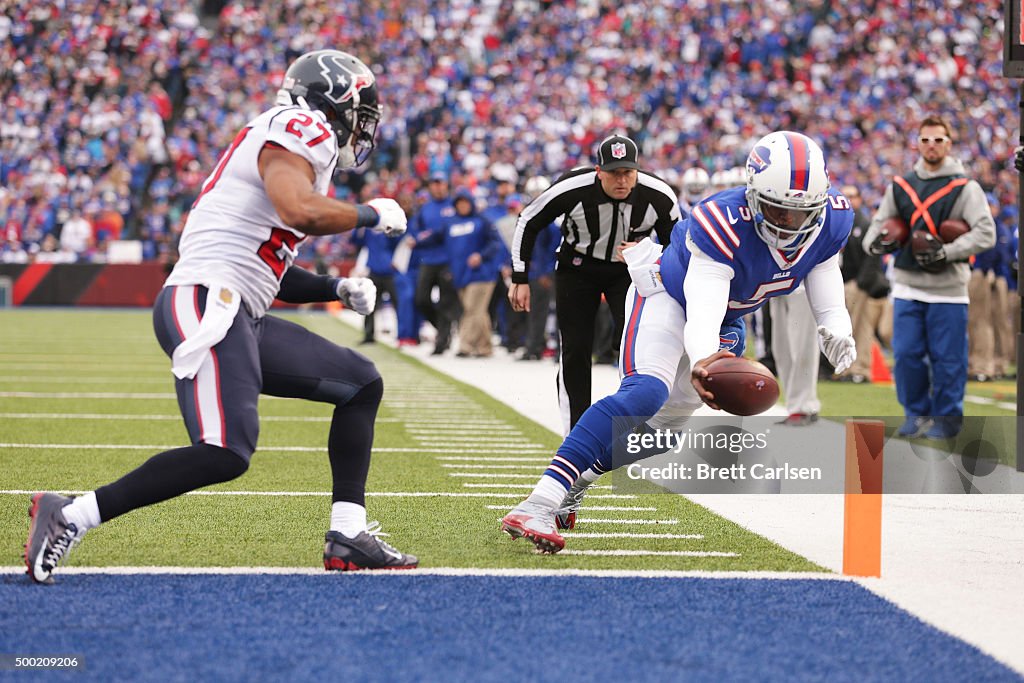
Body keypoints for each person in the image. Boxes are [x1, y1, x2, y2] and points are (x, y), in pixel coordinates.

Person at [24, 49, 418, 583]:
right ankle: (69, 514)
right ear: (335, 100)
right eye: (361, 111)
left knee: (359, 382)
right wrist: (372, 214)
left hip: (235, 305)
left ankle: (348, 533)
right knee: (225, 450)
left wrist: (333, 286)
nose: (363, 126)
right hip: (209, 300)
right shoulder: (300, 126)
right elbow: (297, 211)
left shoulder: (292, 143)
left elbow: (266, 262)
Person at [501, 131, 857, 552]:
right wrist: (707, 358)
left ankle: (580, 478)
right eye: (778, 210)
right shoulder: (724, 220)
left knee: (663, 434)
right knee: (645, 393)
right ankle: (538, 501)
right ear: (754, 193)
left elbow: (822, 267)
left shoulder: (832, 218)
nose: (789, 223)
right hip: (670, 298)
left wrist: (835, 323)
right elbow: (703, 302)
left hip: (729, 316)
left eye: (800, 213)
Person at [509, 134, 681, 434]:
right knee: (575, 349)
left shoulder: (658, 195)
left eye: (628, 172)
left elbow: (676, 247)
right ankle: (576, 431)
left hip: (628, 272)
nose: (621, 180)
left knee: (640, 345)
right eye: (614, 172)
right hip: (577, 268)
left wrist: (644, 253)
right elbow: (528, 219)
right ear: (598, 170)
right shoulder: (574, 187)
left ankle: (640, 423)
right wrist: (520, 278)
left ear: (637, 171)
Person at [865, 115, 995, 440]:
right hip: (908, 284)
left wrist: (946, 252)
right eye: (926, 140)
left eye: (938, 140)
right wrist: (878, 242)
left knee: (948, 359)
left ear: (949, 144)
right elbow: (874, 231)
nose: (932, 146)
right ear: (917, 143)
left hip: (949, 288)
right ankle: (915, 413)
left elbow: (985, 233)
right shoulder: (901, 185)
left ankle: (947, 420)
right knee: (906, 353)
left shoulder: (965, 187)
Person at [445, 188, 504, 357]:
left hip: (482, 274)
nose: (463, 206)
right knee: (478, 311)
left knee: (471, 309)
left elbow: (495, 244)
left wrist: (481, 255)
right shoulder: (450, 223)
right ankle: (485, 347)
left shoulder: (483, 221)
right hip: (461, 274)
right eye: (459, 203)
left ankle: (465, 346)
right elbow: (436, 238)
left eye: (465, 202)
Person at [407, 172, 460, 355]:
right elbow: (414, 230)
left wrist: (423, 238)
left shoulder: (454, 206)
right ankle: (443, 329)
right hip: (428, 259)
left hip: (447, 260)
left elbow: (445, 231)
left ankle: (442, 340)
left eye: (441, 183)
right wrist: (418, 238)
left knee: (446, 301)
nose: (437, 187)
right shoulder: (425, 208)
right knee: (421, 299)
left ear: (446, 185)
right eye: (434, 184)